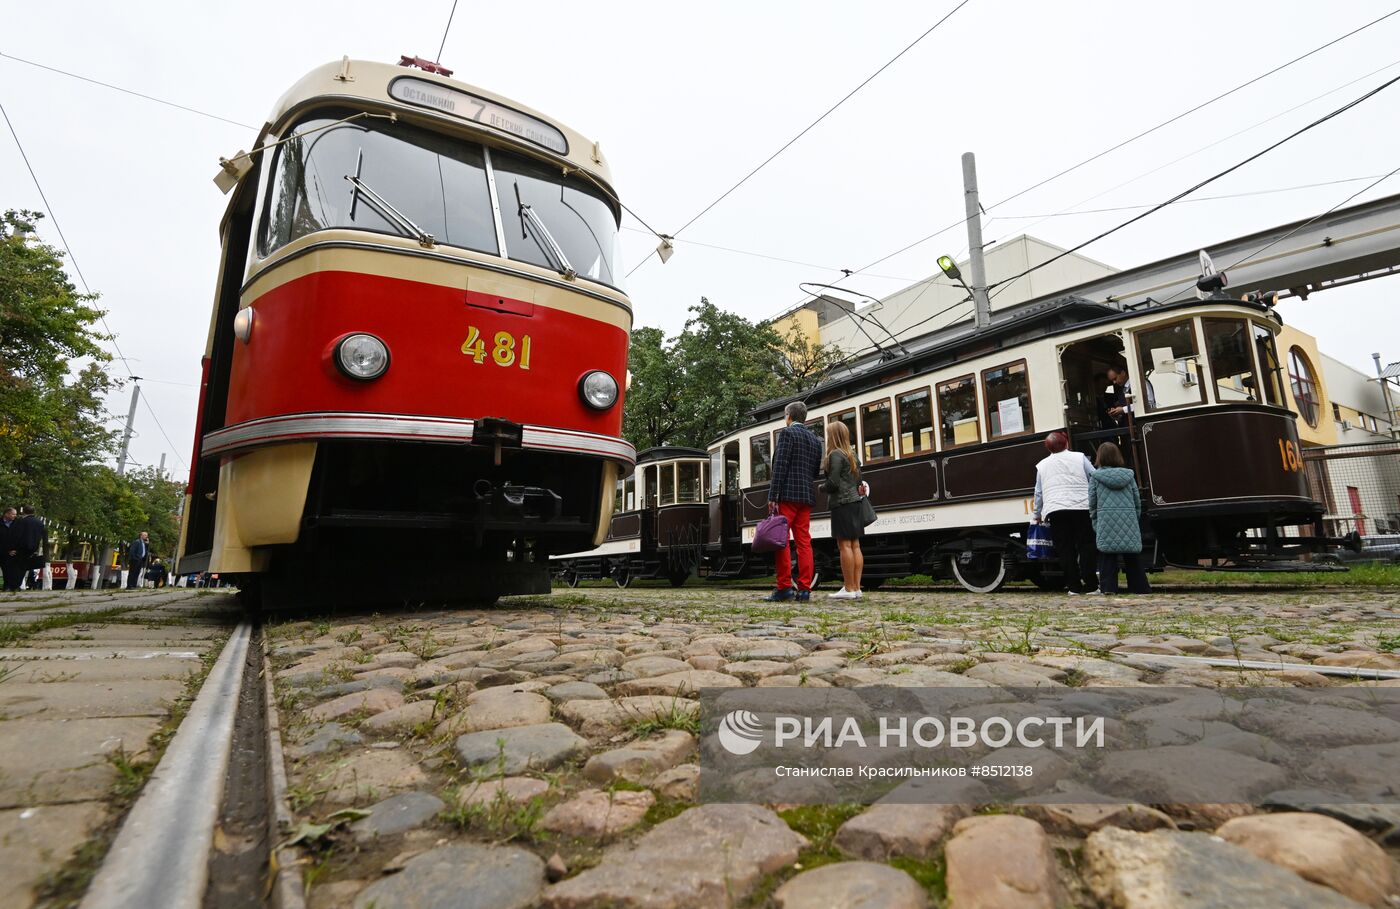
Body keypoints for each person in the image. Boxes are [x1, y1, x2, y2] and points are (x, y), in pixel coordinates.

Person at [766, 400, 823, 602]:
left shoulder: (787, 433)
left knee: (781, 542)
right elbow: (815, 471)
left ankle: (784, 587)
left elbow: (779, 466)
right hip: (806, 496)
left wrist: (772, 496)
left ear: (789, 417)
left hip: (787, 496)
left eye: (785, 415)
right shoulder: (816, 440)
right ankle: (805, 589)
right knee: (804, 543)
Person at [1032, 432, 1099, 595]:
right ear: (1066, 443)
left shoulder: (1042, 465)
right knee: (1086, 545)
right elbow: (1094, 476)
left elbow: (1039, 493)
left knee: (1065, 548)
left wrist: (1036, 514)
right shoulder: (1079, 457)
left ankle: (1074, 587)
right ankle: (1091, 585)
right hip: (1081, 506)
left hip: (1056, 509)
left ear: (1048, 447)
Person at [1089, 442, 1151, 594]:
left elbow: (1093, 504)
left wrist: (1096, 523)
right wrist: (1133, 519)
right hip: (1128, 520)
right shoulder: (1129, 476)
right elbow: (1137, 502)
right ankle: (1139, 587)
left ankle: (1108, 587)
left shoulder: (1095, 478)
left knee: (1106, 556)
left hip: (1105, 521)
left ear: (1099, 457)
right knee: (1132, 556)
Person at [822, 421, 866, 599]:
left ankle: (848, 589)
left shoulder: (835, 455)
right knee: (855, 544)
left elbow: (833, 483)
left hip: (842, 503)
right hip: (855, 502)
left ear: (833, 436)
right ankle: (856, 588)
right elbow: (858, 480)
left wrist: (820, 488)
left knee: (844, 545)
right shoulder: (852, 454)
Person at [15, 506, 46, 590]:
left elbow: (18, 535)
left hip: (21, 547)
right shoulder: (40, 522)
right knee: (24, 567)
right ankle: (19, 585)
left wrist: (14, 547)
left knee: (17, 567)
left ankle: (15, 585)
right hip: (33, 548)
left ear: (24, 512)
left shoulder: (22, 521)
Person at [0, 507, 22, 592]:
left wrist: (15, 550)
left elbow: (19, 538)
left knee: (9, 570)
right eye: (13, 514)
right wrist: (6, 551)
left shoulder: (17, 523)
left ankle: (8, 586)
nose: (15, 516)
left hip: (12, 552)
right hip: (2, 551)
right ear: (6, 514)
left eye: (15, 514)